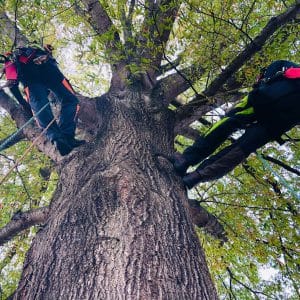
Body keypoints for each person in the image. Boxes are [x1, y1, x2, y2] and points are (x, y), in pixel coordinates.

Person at [172, 60, 300, 189]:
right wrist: (263, 83)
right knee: (236, 137)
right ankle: (194, 172)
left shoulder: (293, 68)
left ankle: (191, 168)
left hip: (271, 111)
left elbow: (277, 65)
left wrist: (263, 84)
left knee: (236, 139)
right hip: (268, 107)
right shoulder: (294, 68)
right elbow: (277, 65)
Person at [1, 45, 85, 156]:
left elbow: (12, 84)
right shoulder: (33, 51)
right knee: (70, 101)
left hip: (32, 77)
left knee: (39, 105)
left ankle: (60, 138)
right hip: (48, 71)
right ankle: (66, 137)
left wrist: (22, 103)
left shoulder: (13, 62)